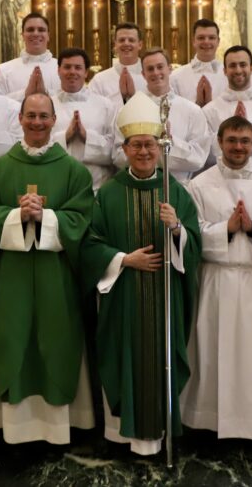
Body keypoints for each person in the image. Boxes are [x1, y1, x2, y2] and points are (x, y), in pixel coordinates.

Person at [0, 93, 96, 445]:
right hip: (10, 276)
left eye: (44, 116)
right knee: (13, 339)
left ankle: (58, 425)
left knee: (56, 339)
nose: (37, 123)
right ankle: (13, 426)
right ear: (20, 120)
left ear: (54, 120)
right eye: (31, 116)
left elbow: (82, 218)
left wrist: (46, 218)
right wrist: (17, 216)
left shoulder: (73, 170)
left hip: (56, 274)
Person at [81, 91, 202, 455]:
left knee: (160, 359)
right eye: (137, 145)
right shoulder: (108, 194)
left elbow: (195, 245)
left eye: (150, 145)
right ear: (124, 148)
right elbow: (89, 243)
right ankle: (121, 435)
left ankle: (158, 433)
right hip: (124, 297)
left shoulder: (174, 191)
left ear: (159, 146)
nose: (145, 152)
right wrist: (122, 259)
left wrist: (177, 228)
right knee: (124, 358)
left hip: (166, 296)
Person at [182, 116, 252, 439]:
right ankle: (210, 418)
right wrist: (225, 229)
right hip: (217, 278)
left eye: (245, 141)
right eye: (232, 141)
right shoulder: (199, 184)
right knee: (213, 348)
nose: (238, 147)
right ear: (220, 142)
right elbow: (191, 233)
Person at [112, 48, 210, 183]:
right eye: (150, 69)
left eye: (160, 67)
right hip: (139, 185)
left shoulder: (192, 111)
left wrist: (170, 141)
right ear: (143, 74)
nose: (156, 72)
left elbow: (198, 159)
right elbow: (117, 156)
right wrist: (145, 148)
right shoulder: (129, 110)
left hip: (179, 187)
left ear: (169, 69)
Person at [51, 47, 117, 190]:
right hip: (57, 185)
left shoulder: (105, 105)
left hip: (97, 187)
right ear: (58, 71)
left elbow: (115, 151)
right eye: (67, 67)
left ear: (86, 72)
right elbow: (38, 145)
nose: (72, 72)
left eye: (78, 67)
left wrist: (86, 136)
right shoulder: (47, 104)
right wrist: (65, 137)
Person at [0, 13, 61, 98]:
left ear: (48, 35)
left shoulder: (64, 69)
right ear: (22, 35)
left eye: (41, 30)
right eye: (30, 30)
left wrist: (47, 93)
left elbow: (71, 100)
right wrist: (25, 93)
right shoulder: (3, 71)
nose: (36, 34)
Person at [169, 19, 228, 107]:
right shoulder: (176, 77)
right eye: (201, 38)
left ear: (218, 41)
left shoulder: (229, 75)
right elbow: (175, 111)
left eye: (211, 38)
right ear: (194, 41)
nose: (206, 42)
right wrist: (197, 104)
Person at [87, 22, 147, 104]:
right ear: (115, 45)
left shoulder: (152, 77)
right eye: (121, 40)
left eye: (131, 40)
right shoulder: (100, 80)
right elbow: (94, 110)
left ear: (140, 45)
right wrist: (121, 96)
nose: (126, 43)